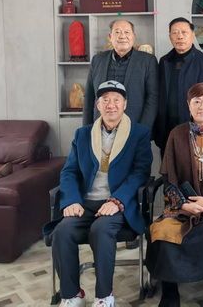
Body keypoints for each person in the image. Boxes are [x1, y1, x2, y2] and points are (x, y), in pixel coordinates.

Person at [49, 81, 152, 307]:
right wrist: (72, 200)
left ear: (125, 104)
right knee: (62, 231)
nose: (111, 105)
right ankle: (72, 294)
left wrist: (117, 200)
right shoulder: (83, 134)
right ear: (97, 105)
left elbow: (140, 173)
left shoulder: (139, 134)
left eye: (116, 100)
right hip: (85, 203)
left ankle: (104, 296)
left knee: (101, 229)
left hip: (117, 204)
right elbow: (69, 171)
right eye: (105, 100)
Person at [146, 82, 203, 307]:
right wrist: (183, 204)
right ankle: (170, 291)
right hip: (181, 204)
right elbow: (169, 179)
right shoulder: (176, 134)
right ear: (188, 105)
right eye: (197, 101)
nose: (202, 107)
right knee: (164, 230)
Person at [155, 17, 203, 157]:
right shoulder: (164, 61)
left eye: (184, 32)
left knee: (195, 165)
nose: (180, 36)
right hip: (167, 126)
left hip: (195, 127)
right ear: (170, 36)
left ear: (193, 35)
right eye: (175, 33)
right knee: (168, 163)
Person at [83, 19, 158, 131]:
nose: (122, 36)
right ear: (110, 37)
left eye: (127, 32)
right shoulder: (97, 60)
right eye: (117, 32)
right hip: (101, 128)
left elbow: (152, 98)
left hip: (134, 127)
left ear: (134, 36)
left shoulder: (148, 61)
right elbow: (89, 97)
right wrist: (87, 129)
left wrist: (142, 130)